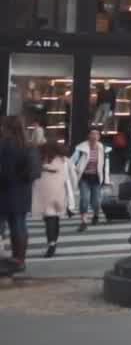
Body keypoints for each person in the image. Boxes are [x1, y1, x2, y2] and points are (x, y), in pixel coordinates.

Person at [0, 116, 38, 271]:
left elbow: (4, 171)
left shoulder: (4, 145)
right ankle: (20, 259)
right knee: (19, 225)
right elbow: (35, 171)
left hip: (4, 190)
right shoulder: (29, 146)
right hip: (23, 191)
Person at [32, 141, 70, 258]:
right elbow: (72, 175)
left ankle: (51, 243)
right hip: (59, 193)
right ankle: (54, 242)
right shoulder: (64, 161)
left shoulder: (39, 161)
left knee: (49, 218)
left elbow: (33, 176)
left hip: (44, 195)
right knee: (55, 218)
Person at [70, 126, 111, 232]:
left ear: (99, 136)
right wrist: (76, 171)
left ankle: (96, 215)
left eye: (97, 134)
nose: (94, 136)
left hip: (96, 178)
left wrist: (106, 180)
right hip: (84, 177)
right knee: (84, 199)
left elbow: (105, 166)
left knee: (96, 201)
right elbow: (71, 162)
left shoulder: (103, 149)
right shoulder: (81, 148)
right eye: (92, 134)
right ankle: (83, 222)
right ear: (88, 135)